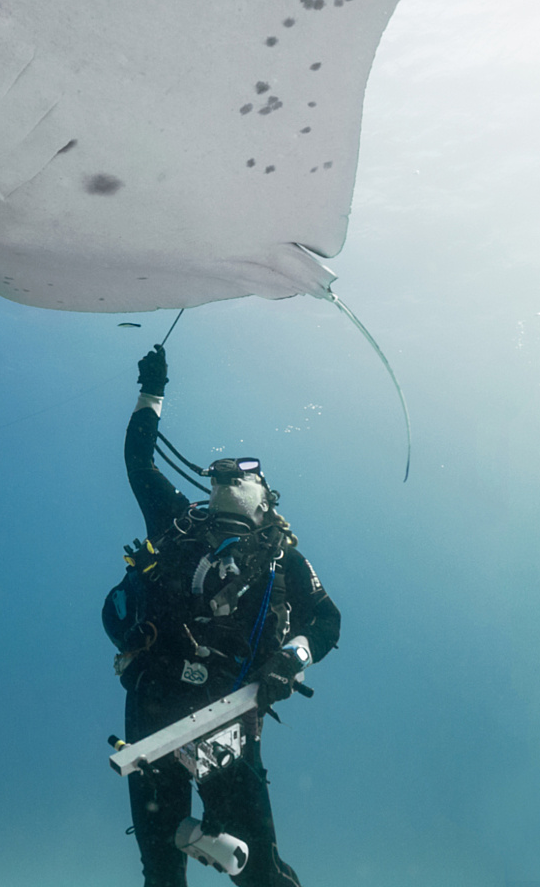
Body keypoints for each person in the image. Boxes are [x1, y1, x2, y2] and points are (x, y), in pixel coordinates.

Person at [103, 344, 341, 887]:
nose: (230, 473)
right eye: (222, 470)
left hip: (229, 716)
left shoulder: (286, 558)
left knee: (261, 875)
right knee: (161, 872)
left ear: (267, 496)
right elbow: (139, 461)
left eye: (246, 471)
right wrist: (151, 392)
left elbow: (326, 620)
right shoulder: (177, 523)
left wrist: (290, 658)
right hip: (152, 708)